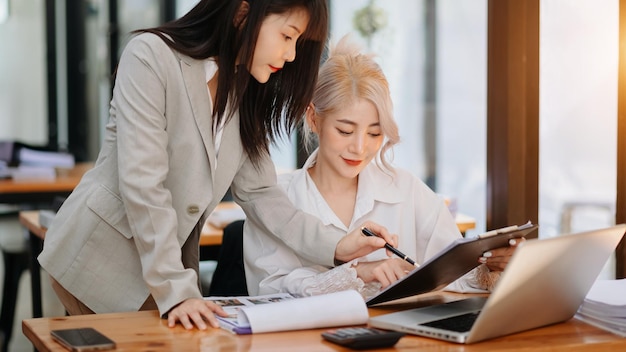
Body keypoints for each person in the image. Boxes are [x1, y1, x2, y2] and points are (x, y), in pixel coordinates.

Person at [38, 1, 394, 331]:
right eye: (287, 36)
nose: (290, 55)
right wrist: (177, 289)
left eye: (297, 43)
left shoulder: (243, 86)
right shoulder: (150, 57)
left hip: (164, 272)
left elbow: (261, 195)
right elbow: (143, 185)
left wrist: (337, 246)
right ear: (243, 12)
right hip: (99, 260)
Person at [244, 35, 523, 298]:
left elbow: (453, 275)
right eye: (345, 131)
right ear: (314, 119)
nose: (359, 148)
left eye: (375, 134)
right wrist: (358, 273)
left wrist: (490, 266)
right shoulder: (276, 200)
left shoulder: (406, 189)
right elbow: (270, 291)